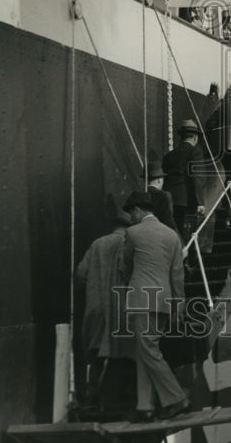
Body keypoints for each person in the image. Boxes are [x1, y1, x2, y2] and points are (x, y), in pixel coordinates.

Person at [120, 190, 191, 421]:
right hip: (164, 300)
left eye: (131, 213)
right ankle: (145, 406)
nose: (131, 218)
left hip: (143, 298)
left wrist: (129, 282)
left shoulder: (133, 233)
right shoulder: (172, 236)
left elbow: (126, 265)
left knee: (148, 350)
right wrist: (178, 305)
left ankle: (177, 398)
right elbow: (177, 275)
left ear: (138, 211)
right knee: (145, 348)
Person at [75, 207, 135, 416]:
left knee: (96, 356)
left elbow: (80, 275)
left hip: (95, 309)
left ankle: (91, 401)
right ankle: (112, 406)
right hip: (119, 311)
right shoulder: (128, 245)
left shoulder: (97, 244)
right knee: (120, 357)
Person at [162, 120, 202, 237]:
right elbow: (197, 177)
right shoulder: (195, 152)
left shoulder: (169, 155)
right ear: (195, 137)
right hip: (187, 201)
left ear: (181, 137)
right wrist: (200, 202)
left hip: (169, 200)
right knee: (187, 234)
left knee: (173, 232)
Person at [143, 160, 178, 234]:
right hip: (161, 234)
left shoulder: (140, 194)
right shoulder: (164, 195)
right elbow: (169, 221)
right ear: (159, 180)